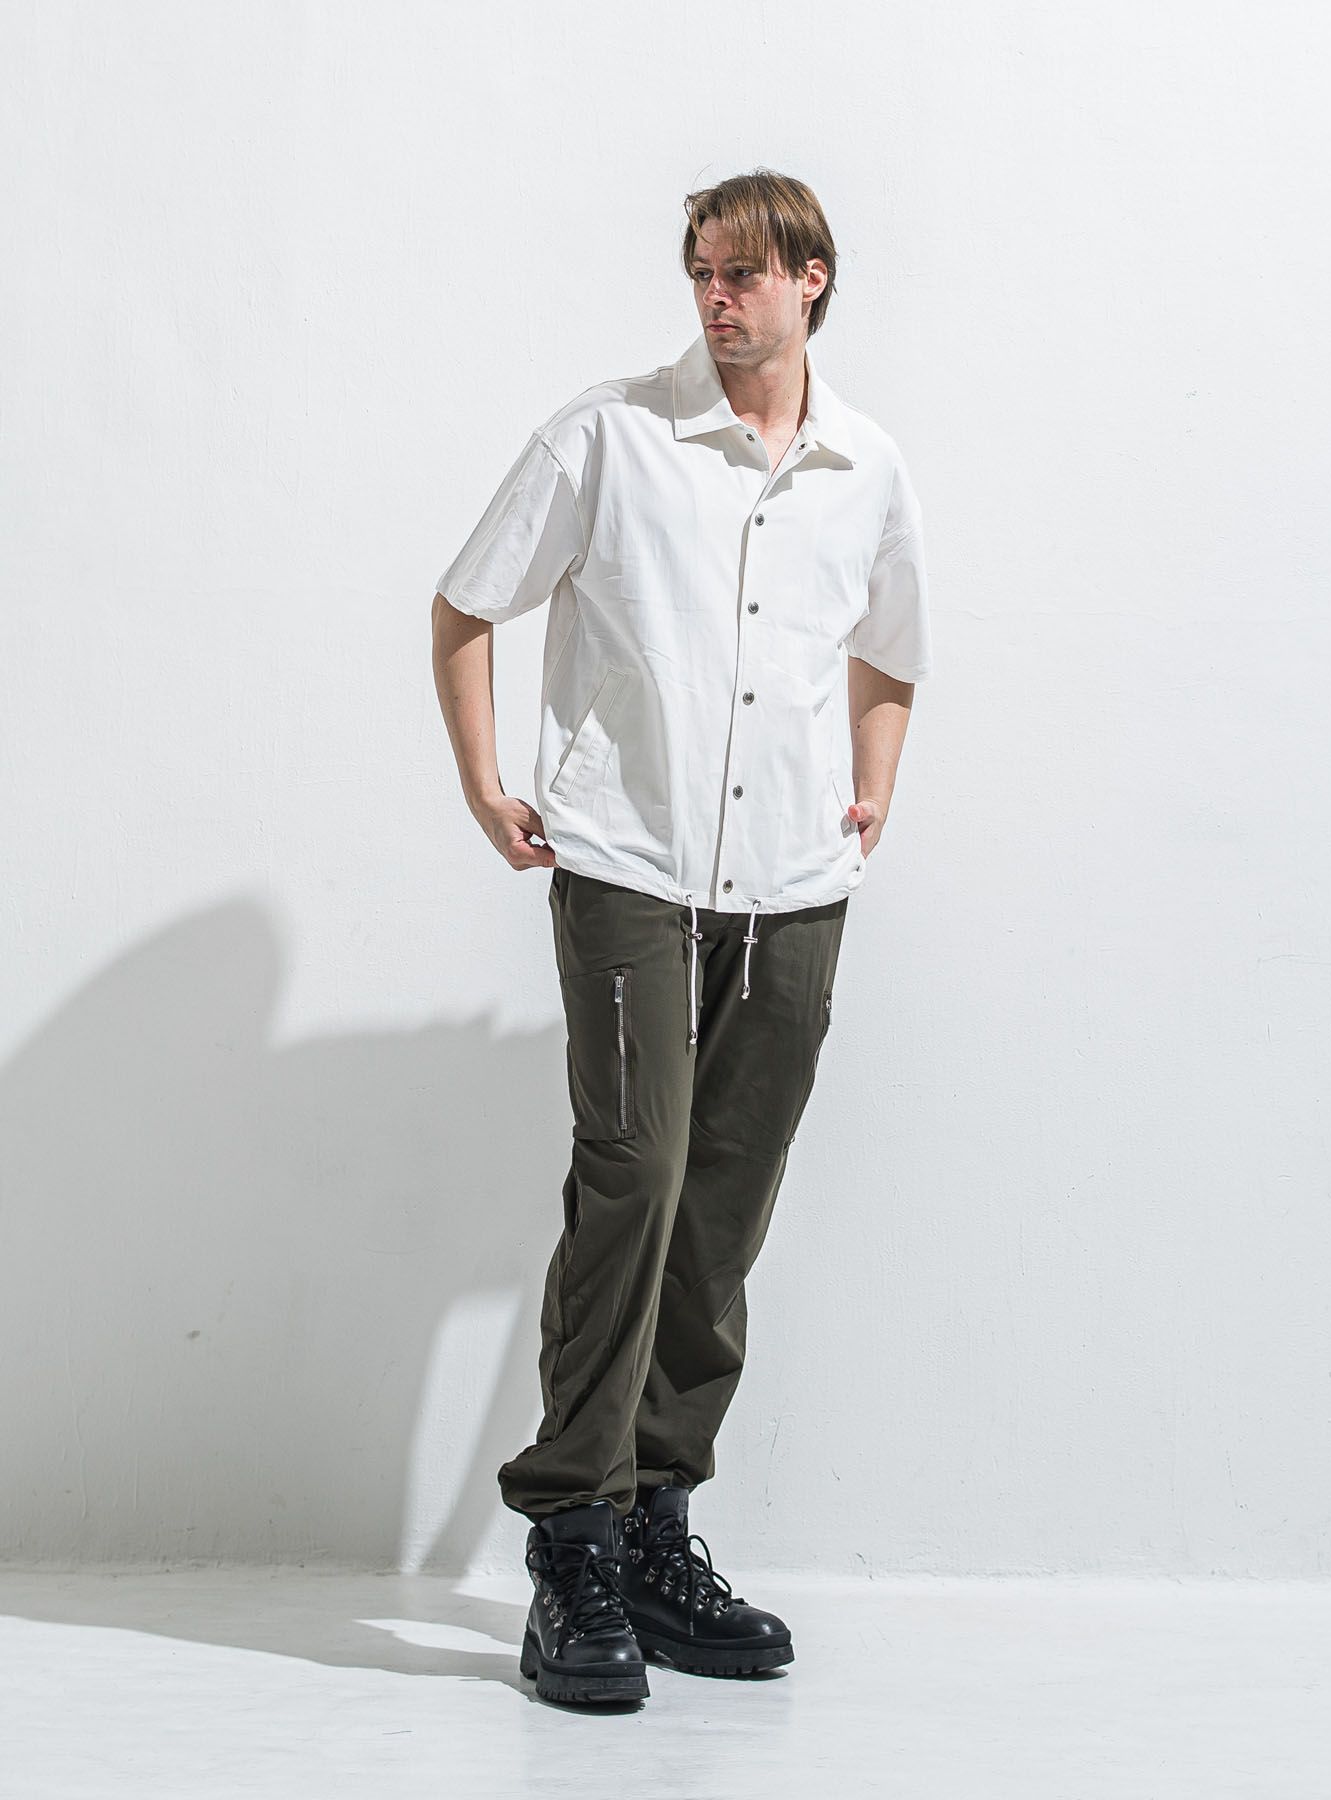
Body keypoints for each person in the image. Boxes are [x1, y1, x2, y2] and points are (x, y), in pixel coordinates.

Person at [430, 168, 932, 1707]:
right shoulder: (611, 438)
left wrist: (871, 786)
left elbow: (891, 652)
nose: (717, 299)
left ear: (812, 280)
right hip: (630, 868)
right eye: (701, 272)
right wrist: (487, 785)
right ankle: (572, 1540)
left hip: (795, 887)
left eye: (744, 274)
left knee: (722, 1208)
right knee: (634, 1178)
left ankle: (657, 1524)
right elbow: (467, 605)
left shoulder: (864, 466)